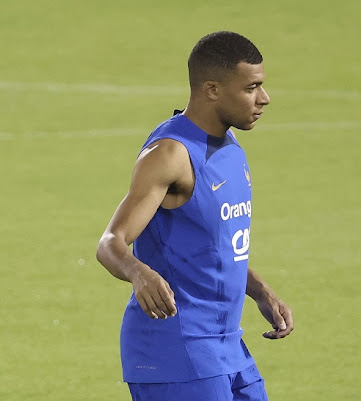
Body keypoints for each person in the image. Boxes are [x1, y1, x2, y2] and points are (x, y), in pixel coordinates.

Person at [96, 31, 293, 401]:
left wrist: (260, 291)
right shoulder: (170, 154)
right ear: (212, 89)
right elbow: (110, 243)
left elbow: (214, 247)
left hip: (227, 347)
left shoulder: (231, 149)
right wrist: (139, 272)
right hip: (174, 353)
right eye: (251, 88)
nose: (264, 98)